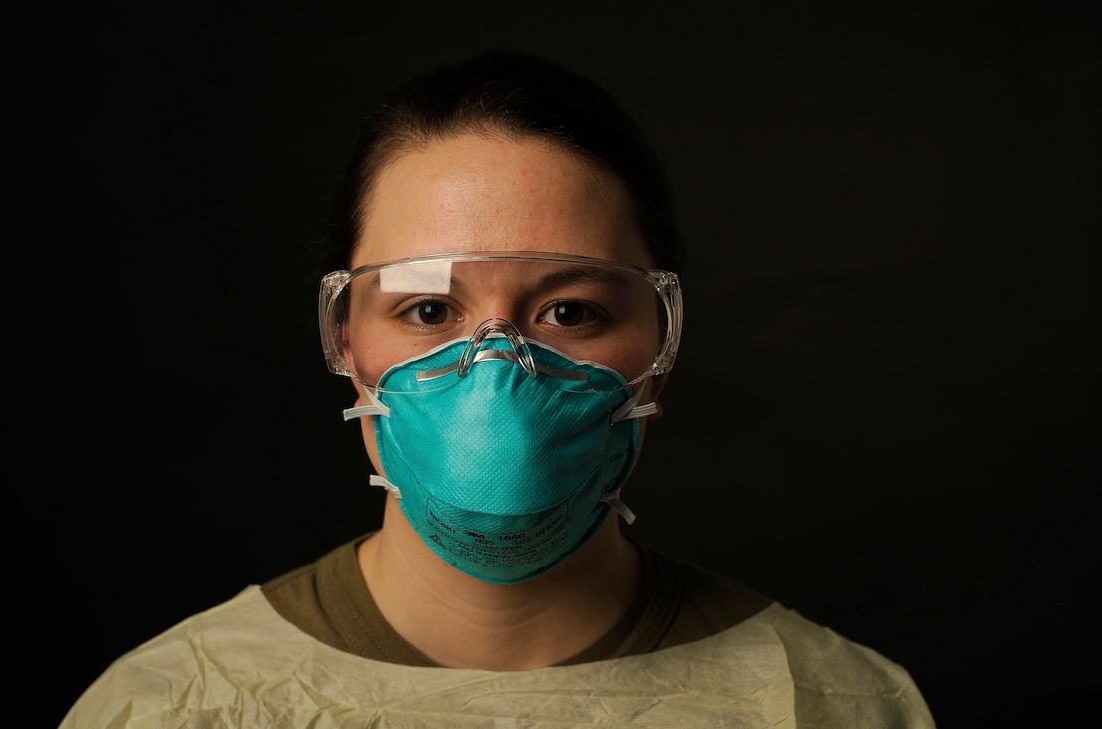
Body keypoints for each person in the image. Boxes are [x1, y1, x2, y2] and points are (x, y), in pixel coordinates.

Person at [60, 51, 935, 728]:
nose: (494, 376)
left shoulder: (830, 704)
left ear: (658, 349)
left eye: (569, 309)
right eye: (430, 307)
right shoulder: (171, 705)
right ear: (347, 339)